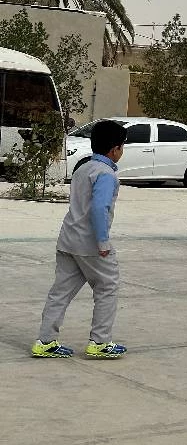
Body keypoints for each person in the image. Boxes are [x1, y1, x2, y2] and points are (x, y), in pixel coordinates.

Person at [32, 119, 128, 359]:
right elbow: (99, 209)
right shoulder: (106, 174)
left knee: (60, 291)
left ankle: (45, 341)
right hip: (90, 243)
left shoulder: (83, 168)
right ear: (115, 149)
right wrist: (103, 242)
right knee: (107, 287)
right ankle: (100, 342)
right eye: (122, 147)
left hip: (68, 239)